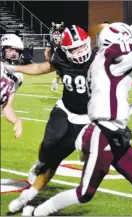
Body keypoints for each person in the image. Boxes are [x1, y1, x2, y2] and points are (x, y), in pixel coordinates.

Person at [19, 3, 132, 216]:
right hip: (104, 135)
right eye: (125, 40)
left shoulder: (102, 61)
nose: (130, 44)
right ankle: (37, 212)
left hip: (114, 133)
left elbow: (110, 103)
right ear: (114, 43)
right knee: (84, 193)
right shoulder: (112, 61)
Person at [7, 25, 98, 213]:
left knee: (57, 157)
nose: (80, 52)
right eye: (74, 49)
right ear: (65, 50)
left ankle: (28, 196)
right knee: (49, 143)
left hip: (86, 118)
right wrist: (13, 67)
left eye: (82, 46)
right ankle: (39, 163)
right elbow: (40, 68)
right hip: (65, 109)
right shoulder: (61, 58)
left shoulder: (100, 58)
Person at [0, 34, 24, 138]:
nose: (14, 54)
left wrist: (16, 120)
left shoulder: (18, 76)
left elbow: (7, 107)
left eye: (17, 51)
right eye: (10, 50)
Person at [45, 22, 64, 92]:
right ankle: (55, 83)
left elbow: (47, 49)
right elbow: (47, 49)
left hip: (58, 59)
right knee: (61, 72)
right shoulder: (54, 42)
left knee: (61, 73)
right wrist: (46, 55)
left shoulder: (59, 42)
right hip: (56, 59)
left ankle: (55, 84)